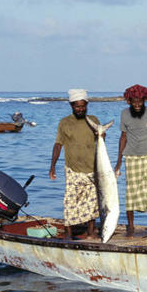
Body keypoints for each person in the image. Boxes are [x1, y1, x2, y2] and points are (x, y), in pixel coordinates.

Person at [49, 88, 100, 240]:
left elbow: (100, 140)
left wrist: (102, 134)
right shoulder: (65, 123)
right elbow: (58, 145)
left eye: (83, 106)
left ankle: (91, 232)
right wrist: (52, 166)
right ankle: (69, 234)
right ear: (71, 105)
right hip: (72, 169)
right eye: (77, 106)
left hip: (92, 168)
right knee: (70, 202)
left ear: (87, 105)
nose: (80, 109)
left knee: (92, 202)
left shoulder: (94, 120)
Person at [114, 84, 147, 238]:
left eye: (139, 102)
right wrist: (119, 160)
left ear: (144, 100)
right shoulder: (124, 114)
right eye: (133, 102)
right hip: (131, 157)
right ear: (129, 101)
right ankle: (130, 227)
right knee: (131, 192)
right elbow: (123, 137)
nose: (137, 105)